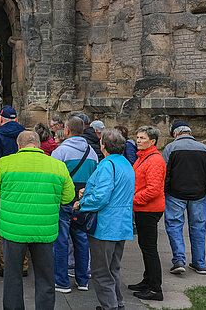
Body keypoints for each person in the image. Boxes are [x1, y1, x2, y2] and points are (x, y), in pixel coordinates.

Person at [0, 130, 75, 310]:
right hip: (44, 230)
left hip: (13, 229)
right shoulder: (57, 166)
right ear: (39, 145)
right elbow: (68, 197)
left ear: (18, 145)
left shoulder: (5, 163)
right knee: (45, 277)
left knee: (13, 276)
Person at [74, 128, 135, 310]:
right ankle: (117, 303)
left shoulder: (107, 165)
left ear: (103, 146)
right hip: (121, 224)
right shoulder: (126, 163)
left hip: (105, 226)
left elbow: (101, 198)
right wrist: (88, 192)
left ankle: (110, 306)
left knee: (101, 271)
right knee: (113, 268)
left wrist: (81, 203)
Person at [162, 121, 206, 276]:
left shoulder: (170, 148)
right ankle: (200, 263)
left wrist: (166, 190)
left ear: (175, 133)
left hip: (175, 195)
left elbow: (164, 173)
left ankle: (179, 260)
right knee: (198, 228)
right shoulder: (205, 149)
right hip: (198, 195)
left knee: (174, 226)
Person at [51, 116, 98, 293]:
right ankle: (83, 280)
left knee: (61, 241)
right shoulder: (92, 153)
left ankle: (62, 281)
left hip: (64, 201)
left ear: (67, 130)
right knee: (81, 240)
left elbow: (54, 179)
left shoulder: (60, 152)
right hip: (82, 202)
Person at [128, 125, 166, 301]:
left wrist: (133, 199)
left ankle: (155, 289)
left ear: (152, 141)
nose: (138, 140)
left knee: (150, 249)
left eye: (142, 138)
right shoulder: (143, 157)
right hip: (143, 208)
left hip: (149, 209)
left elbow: (153, 189)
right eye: (137, 137)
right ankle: (148, 280)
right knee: (145, 247)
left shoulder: (154, 160)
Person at [0, 105, 25, 277]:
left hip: (5, 184)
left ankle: (4, 263)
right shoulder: (24, 134)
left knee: (2, 225)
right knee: (22, 223)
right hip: (23, 183)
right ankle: (23, 264)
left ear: (1, 120)